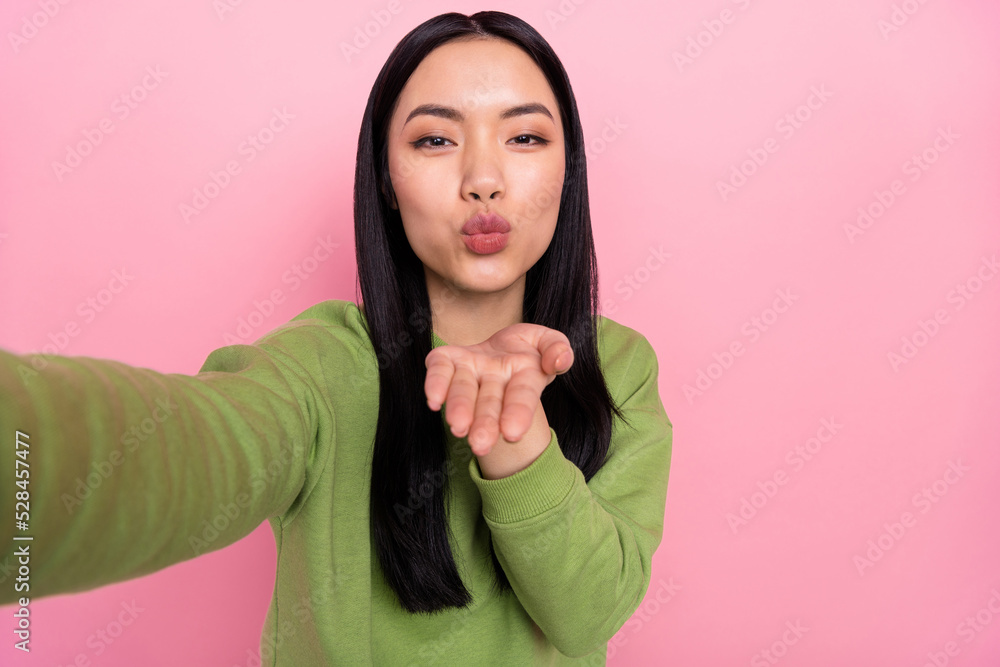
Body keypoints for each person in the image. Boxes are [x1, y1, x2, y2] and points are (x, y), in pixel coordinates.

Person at [0, 10, 672, 666]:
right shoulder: (322, 365)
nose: (484, 180)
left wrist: (518, 436)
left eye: (525, 138)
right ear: (385, 178)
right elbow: (192, 444)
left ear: (569, 169)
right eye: (435, 140)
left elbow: (588, 614)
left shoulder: (619, 367)